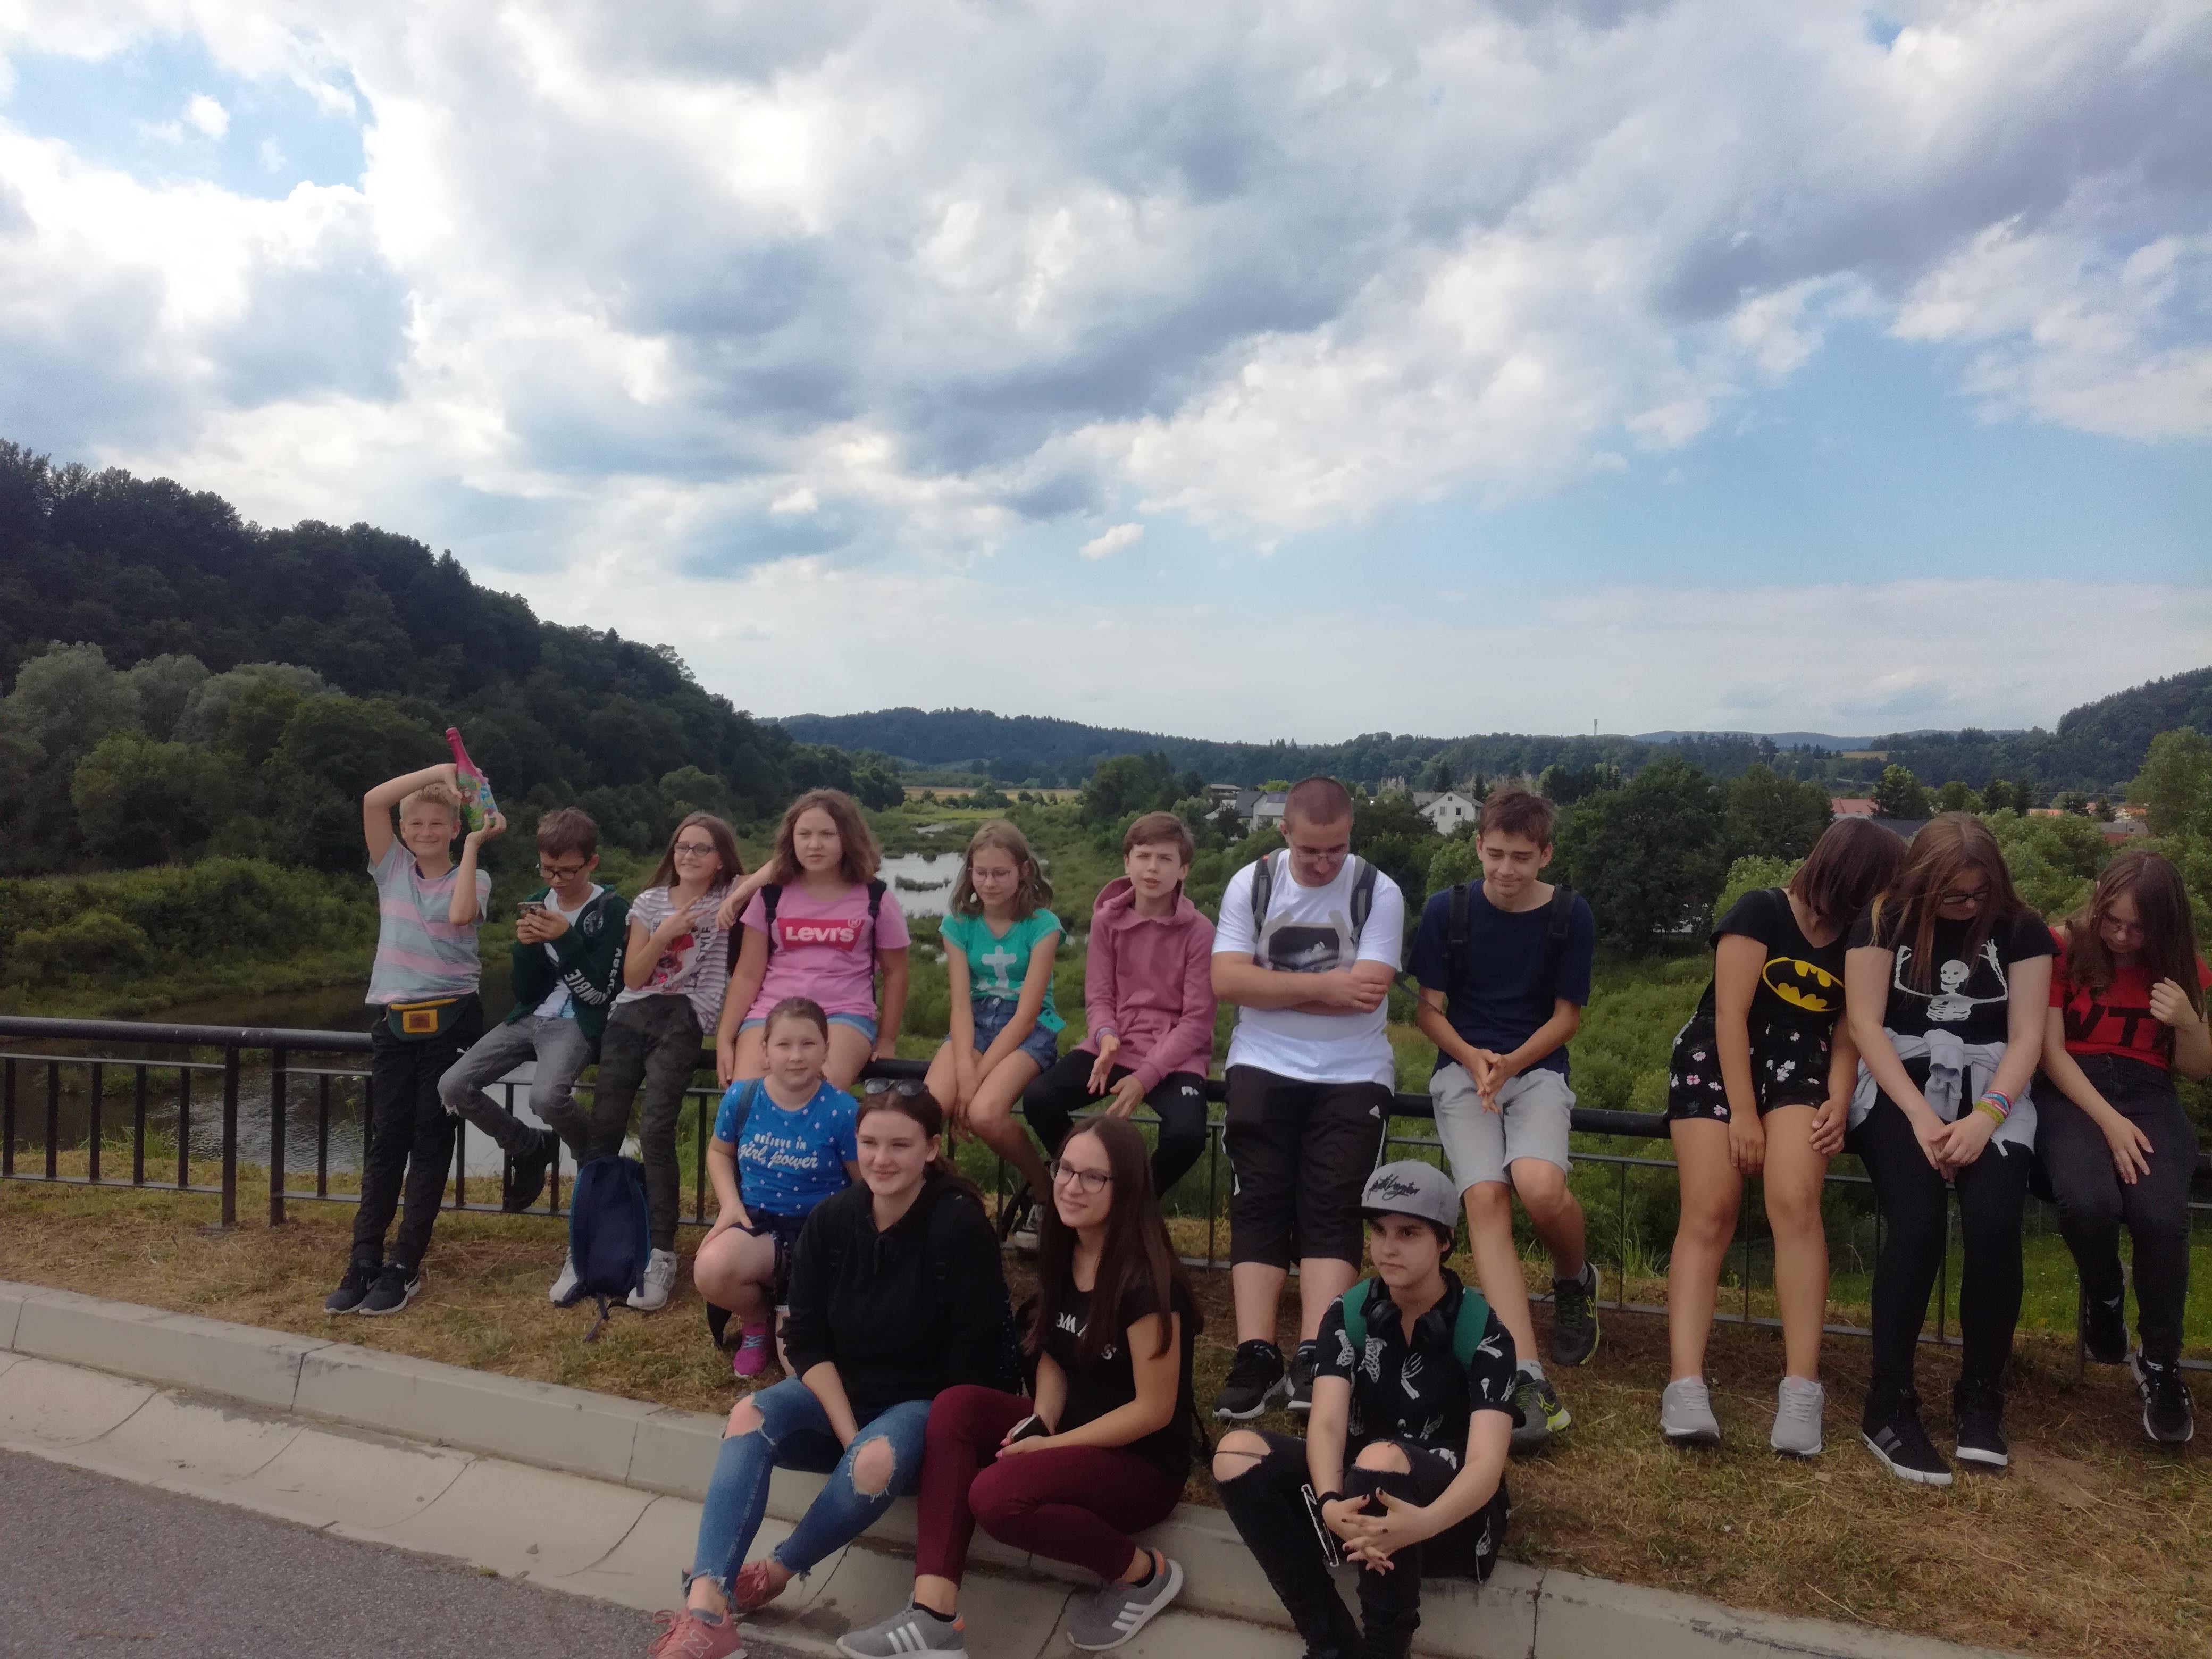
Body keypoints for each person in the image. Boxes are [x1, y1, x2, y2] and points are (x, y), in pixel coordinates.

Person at [647, 1087, 1018, 1659]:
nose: (881, 1159)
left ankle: (774, 1573)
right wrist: (848, 1433)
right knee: (749, 1415)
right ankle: (707, 1611)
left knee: (872, 1460)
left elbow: (974, 1360)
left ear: (930, 1149)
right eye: (869, 1143)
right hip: (842, 1396)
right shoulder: (834, 1218)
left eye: (900, 1145)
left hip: (924, 1408)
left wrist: (869, 1444)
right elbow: (806, 1339)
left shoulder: (958, 1226)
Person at [837, 1115, 1202, 1658]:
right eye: (1065, 1170)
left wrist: (1050, 1446)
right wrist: (1044, 1417)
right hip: (1075, 1430)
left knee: (995, 1496)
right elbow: (1050, 1344)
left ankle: (1145, 1576)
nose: (1071, 1187)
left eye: (1093, 1177)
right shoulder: (1067, 1244)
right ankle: (933, 1615)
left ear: (1126, 1188)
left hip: (1140, 1465)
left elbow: (1154, 1410)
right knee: (956, 1407)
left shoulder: (1147, 1282)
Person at [1658, 818, 1904, 1454]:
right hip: (1720, 1057)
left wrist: (1839, 1098)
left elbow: (1849, 1032)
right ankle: (1684, 1383)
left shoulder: (1862, 936)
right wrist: (1742, 1114)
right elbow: (1729, 1014)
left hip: (1805, 1065)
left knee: (1794, 1203)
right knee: (1709, 1209)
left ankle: (1801, 1387)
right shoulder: (1759, 910)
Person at [1214, 1161, 1515, 1659]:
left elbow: (1486, 1464)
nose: (1387, 1247)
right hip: (1356, 1494)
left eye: (1408, 1232)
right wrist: (1329, 1501)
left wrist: (1422, 1523)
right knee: (1235, 1455)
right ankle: (1329, 1643)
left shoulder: (1482, 1330)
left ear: (1445, 1241)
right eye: (1378, 1231)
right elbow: (1327, 1422)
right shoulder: (1349, 1312)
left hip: (1446, 1515)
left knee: (1379, 1459)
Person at [1844, 812, 2051, 1485]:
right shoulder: (1883, 918)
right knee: (1917, 1223)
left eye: (1976, 894)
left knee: (1993, 1222)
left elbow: (2027, 1036)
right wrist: (1917, 1115)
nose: (1965, 907)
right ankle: (1888, 1400)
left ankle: (1980, 1393)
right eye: (1951, 896)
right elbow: (1864, 1023)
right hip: (1898, 1078)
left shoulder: (2021, 929)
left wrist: (1985, 1118)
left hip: (1992, 1084)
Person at [1210, 776, 1406, 1420]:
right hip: (1261, 1065)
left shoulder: (1377, 891)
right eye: (1310, 851)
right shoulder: (1251, 884)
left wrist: (1269, 986)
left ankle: (1315, 1353)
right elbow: (1224, 980)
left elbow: (1368, 992)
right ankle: (1255, 1355)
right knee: (1258, 1201)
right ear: (1284, 833)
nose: (1323, 864)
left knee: (1333, 1204)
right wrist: (1325, 987)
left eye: (1336, 850)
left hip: (1354, 1072)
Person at [1407, 785, 1596, 1451]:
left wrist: (1510, 1064)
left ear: (1545, 854)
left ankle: (1573, 1278)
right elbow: (1427, 1009)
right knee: (1484, 1198)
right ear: (1476, 846)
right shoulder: (1446, 910)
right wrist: (1473, 1060)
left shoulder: (1570, 914)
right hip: (1462, 1071)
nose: (1505, 869)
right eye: (1494, 854)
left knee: (1538, 1185)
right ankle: (1524, 1373)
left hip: (1536, 1068)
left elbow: (1567, 1017)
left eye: (1520, 856)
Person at [2037, 848, 2209, 1445]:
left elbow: (2196, 1069)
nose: (2120, 936)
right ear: (2097, 899)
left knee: (2160, 1218)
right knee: (2087, 1201)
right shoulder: (2062, 947)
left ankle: (2160, 1364)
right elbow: (2048, 1051)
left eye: (2137, 928)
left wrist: (2189, 1022)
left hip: (2149, 1092)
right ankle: (2105, 1294)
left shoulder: (2178, 965)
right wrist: (2108, 1121)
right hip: (2071, 1087)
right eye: (2112, 920)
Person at [324, 763, 499, 1319]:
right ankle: (363, 1258)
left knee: (429, 1140)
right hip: (396, 1020)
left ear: (454, 829)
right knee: (386, 1140)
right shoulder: (391, 869)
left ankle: (405, 1264)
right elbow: (373, 800)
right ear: (403, 830)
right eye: (416, 824)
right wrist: (441, 770)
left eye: (437, 823)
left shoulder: (474, 875)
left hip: (452, 1018)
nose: (425, 831)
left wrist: (474, 844)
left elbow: (461, 914)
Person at [587, 812, 765, 1314]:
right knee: (605, 1128)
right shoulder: (649, 902)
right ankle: (590, 1246)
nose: (689, 856)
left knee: (657, 1130)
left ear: (721, 858)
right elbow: (634, 977)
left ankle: (661, 1253)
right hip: (631, 1014)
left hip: (685, 1018)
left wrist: (738, 890)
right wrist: (664, 933)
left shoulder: (731, 897)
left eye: (703, 848)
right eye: (683, 847)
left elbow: (782, 861)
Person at [436, 807, 630, 1214]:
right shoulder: (538, 902)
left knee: (546, 1097)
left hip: (578, 1020)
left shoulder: (612, 911)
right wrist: (523, 949)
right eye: (547, 869)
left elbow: (598, 994)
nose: (556, 880)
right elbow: (524, 990)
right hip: (530, 1016)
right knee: (453, 1086)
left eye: (567, 871)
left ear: (591, 863)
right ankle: (528, 1146)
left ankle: (594, 1158)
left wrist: (567, 940)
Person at [1025, 810, 1217, 1212]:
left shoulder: (1200, 931)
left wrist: (1144, 1079)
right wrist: (1105, 1035)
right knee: (1041, 1099)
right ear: (1127, 862)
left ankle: (1130, 1208)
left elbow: (1197, 1021)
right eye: (1143, 856)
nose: (1152, 868)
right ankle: (1086, 1180)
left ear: (1184, 870)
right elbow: (1099, 996)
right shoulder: (1106, 920)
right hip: (1116, 1045)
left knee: (1186, 1136)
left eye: (1165, 859)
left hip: (1174, 1055)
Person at [693, 998, 859, 1378]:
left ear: (826, 1050)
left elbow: (863, 1183)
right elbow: (719, 1153)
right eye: (784, 1044)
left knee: (796, 1368)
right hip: (760, 1225)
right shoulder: (743, 1098)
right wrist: (730, 1204)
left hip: (819, 1237)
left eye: (808, 1044)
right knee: (710, 1269)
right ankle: (756, 1322)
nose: (796, 1056)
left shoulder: (842, 1111)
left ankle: (794, 1308)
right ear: (765, 1051)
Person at [716, 789, 910, 1093]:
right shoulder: (771, 895)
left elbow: (896, 973)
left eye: (827, 834)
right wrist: (725, 1038)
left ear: (847, 838)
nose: (815, 844)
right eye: (804, 834)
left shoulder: (876, 897)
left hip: (844, 1013)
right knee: (747, 1096)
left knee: (812, 1091)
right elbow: (747, 975)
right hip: (771, 1011)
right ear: (791, 839)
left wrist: (887, 1040)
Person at [924, 819, 1064, 1234]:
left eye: (1001, 873)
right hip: (975, 1021)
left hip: (1028, 1026)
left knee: (984, 1114)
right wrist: (964, 1072)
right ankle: (936, 1202)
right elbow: (960, 1006)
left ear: (1023, 871)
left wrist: (974, 1082)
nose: (989, 883)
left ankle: (1046, 1194)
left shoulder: (1042, 925)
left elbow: (1027, 1015)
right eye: (981, 872)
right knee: (925, 1115)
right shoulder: (958, 925)